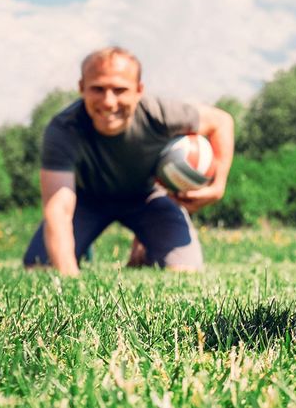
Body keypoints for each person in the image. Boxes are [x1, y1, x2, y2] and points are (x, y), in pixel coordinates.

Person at [23, 47, 234, 275]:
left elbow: (221, 121)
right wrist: (68, 277)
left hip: (148, 198)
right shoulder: (63, 129)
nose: (109, 102)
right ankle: (81, 241)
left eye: (120, 90)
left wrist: (218, 185)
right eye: (98, 89)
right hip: (86, 201)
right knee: (40, 266)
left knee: (185, 271)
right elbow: (59, 209)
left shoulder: (160, 114)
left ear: (139, 90)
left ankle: (144, 247)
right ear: (82, 88)